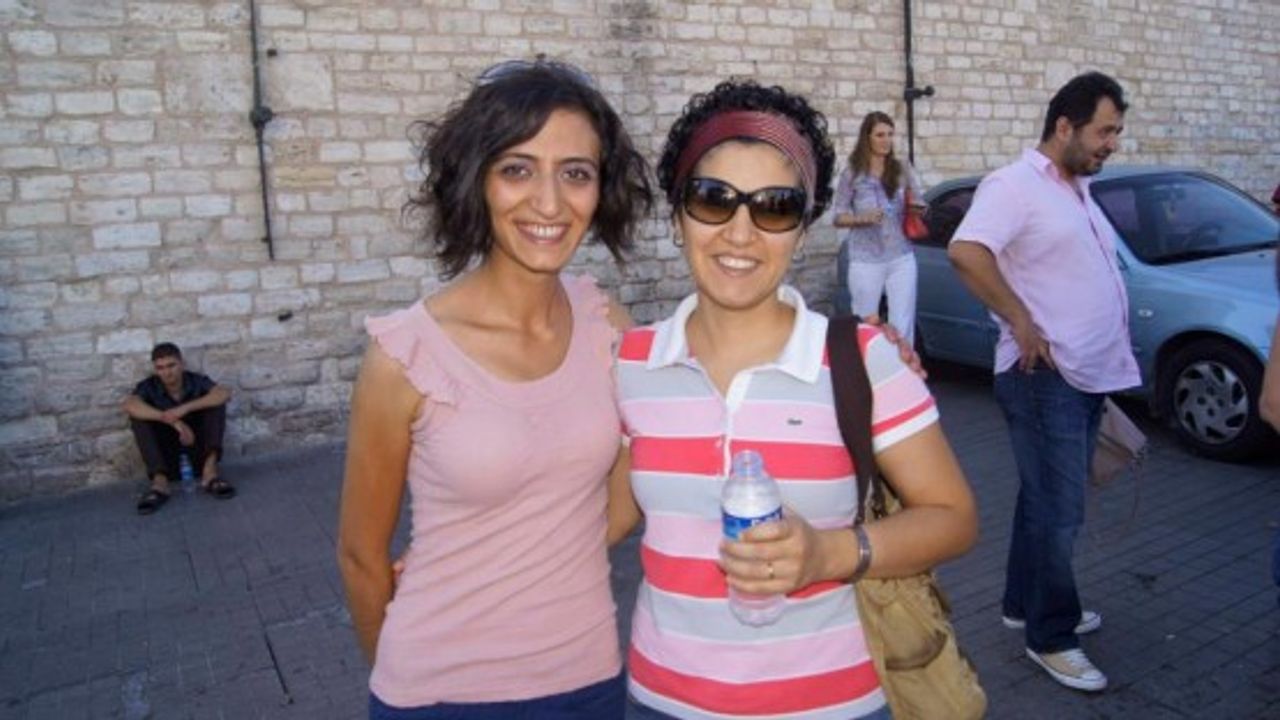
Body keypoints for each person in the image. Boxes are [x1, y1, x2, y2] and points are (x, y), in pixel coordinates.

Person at [609, 79, 979, 720]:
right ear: (676, 217)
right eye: (713, 199)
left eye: (775, 208)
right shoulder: (631, 363)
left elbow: (954, 517)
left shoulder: (862, 359)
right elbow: (598, 522)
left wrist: (830, 553)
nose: (741, 233)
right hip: (662, 700)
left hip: (835, 705)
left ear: (802, 233)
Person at [335, 60, 653, 720]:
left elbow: (624, 506)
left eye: (576, 173)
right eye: (517, 169)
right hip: (440, 695)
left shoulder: (608, 328)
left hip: (587, 681)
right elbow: (362, 557)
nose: (549, 202)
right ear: (476, 180)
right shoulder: (405, 356)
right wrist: (397, 676)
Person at [947, 71, 1140, 692]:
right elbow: (967, 251)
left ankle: (1021, 603)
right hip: (1043, 379)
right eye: (1104, 131)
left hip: (1081, 375)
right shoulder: (1014, 185)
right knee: (1059, 512)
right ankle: (1052, 636)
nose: (1112, 143)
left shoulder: (1076, 189)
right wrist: (1020, 318)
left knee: (1042, 500)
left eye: (1116, 131)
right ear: (1064, 126)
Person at [832, 111, 927, 344]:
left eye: (890, 134)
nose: (887, 140)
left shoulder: (901, 168)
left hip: (901, 256)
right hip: (866, 259)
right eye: (880, 135)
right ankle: (866, 366)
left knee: (903, 323)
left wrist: (917, 208)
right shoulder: (852, 173)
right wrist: (861, 218)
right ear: (867, 138)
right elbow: (838, 216)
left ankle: (904, 366)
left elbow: (920, 201)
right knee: (865, 322)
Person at [122, 342, 234, 514]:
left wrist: (184, 408)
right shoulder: (149, 386)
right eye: (160, 368)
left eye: (171, 365)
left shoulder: (195, 381)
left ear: (181, 364)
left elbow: (223, 393)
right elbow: (130, 405)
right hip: (166, 456)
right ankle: (160, 483)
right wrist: (173, 421)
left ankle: (210, 474)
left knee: (216, 405)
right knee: (139, 418)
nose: (167, 373)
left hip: (198, 450)